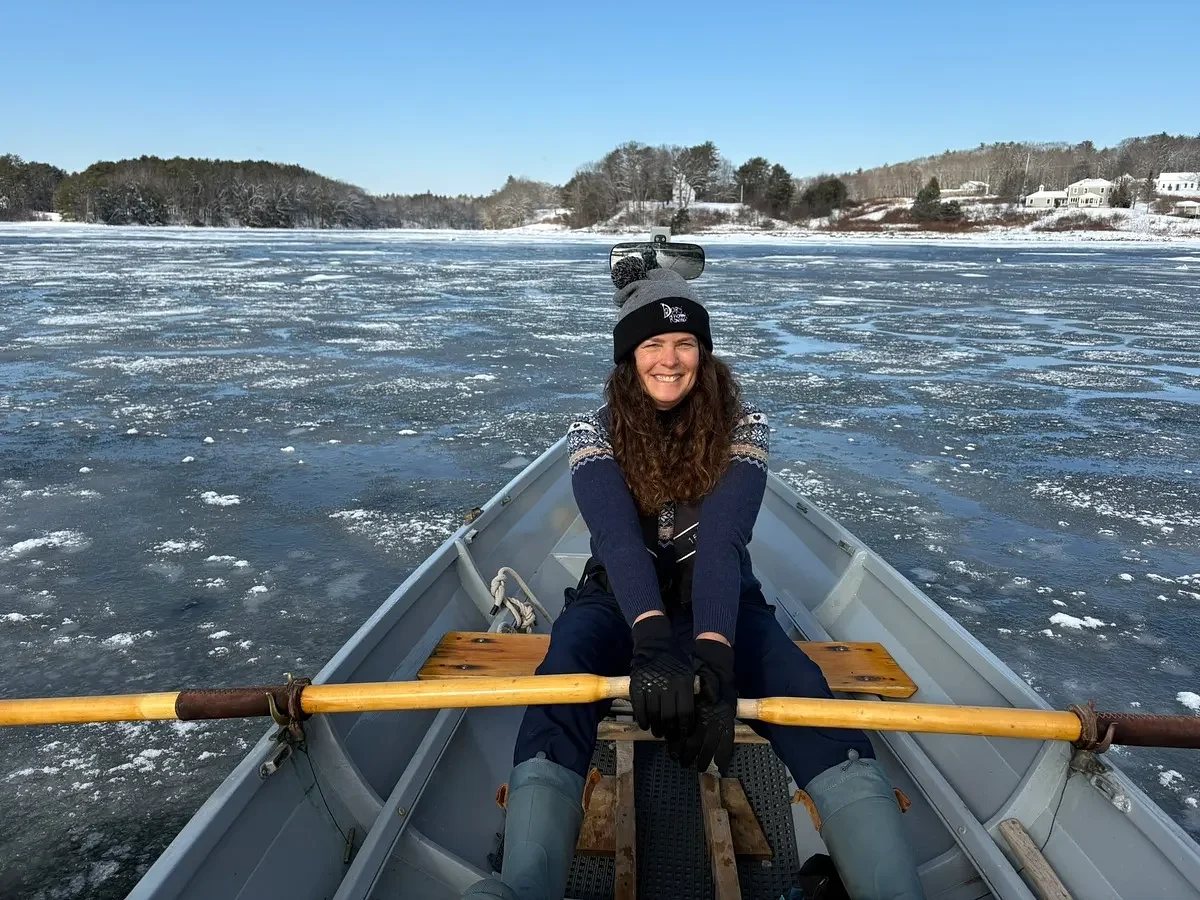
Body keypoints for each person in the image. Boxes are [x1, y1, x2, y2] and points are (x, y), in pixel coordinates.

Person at [464, 257, 925, 900]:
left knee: (807, 693)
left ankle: (887, 886)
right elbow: (618, 541)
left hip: (722, 596)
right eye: (653, 343)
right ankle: (527, 884)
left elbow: (722, 541)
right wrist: (650, 638)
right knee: (563, 676)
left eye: (685, 343)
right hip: (617, 600)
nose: (670, 359)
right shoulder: (592, 431)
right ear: (630, 356)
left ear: (704, 354)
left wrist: (713, 649)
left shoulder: (744, 425)